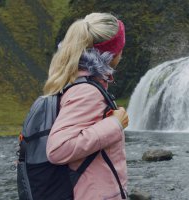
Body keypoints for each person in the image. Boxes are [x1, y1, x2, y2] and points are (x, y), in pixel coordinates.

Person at [44, 12, 129, 200]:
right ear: (111, 53)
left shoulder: (77, 81)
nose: (123, 52)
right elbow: (58, 149)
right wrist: (114, 124)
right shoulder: (87, 91)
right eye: (121, 47)